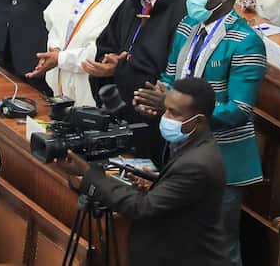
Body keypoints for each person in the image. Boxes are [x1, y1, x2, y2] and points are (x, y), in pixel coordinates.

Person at [134, 0, 266, 266]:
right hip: (179, 152)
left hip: (222, 161)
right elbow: (170, 79)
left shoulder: (245, 42)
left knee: (219, 247)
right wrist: (157, 101)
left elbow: (239, 111)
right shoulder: (186, 27)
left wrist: (173, 103)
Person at [61, 77, 227, 266]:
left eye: (174, 113)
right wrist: (158, 185)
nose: (165, 117)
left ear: (199, 120)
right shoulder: (195, 144)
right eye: (165, 109)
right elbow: (183, 197)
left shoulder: (197, 163)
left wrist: (89, 175)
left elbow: (143, 208)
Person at [88, 0, 187, 126]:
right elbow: (106, 44)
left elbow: (166, 71)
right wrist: (107, 64)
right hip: (115, 109)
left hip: (150, 119)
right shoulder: (133, 1)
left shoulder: (182, 15)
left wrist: (122, 69)